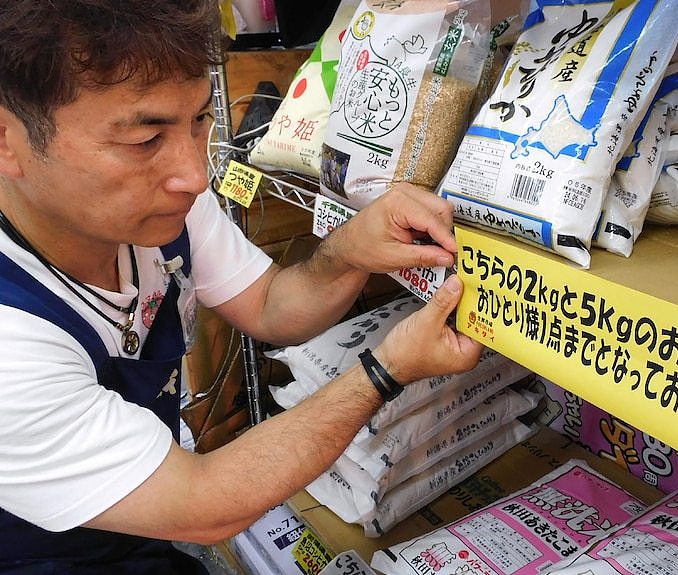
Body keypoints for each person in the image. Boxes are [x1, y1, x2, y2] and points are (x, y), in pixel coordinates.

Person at [0, 1, 484, 572]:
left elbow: (271, 306)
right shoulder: (12, 338)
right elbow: (201, 502)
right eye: (144, 140)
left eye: (201, 119)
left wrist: (349, 251)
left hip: (145, 537)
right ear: (7, 142)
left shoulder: (164, 207)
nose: (194, 175)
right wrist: (387, 369)